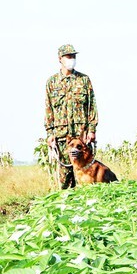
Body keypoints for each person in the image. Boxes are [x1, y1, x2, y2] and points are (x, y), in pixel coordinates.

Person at [44, 44, 98, 189]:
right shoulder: (52, 82)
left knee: (87, 173)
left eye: (73, 56)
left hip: (82, 138)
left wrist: (92, 129)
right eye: (68, 56)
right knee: (66, 176)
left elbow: (91, 106)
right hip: (63, 137)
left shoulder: (84, 80)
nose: (71, 59)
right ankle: (67, 207)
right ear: (60, 59)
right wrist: (50, 134)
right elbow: (49, 109)